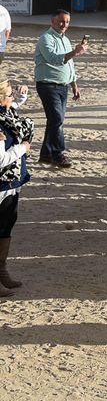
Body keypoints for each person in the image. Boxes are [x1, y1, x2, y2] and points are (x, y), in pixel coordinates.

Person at [33, 11, 87, 169]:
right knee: (57, 119)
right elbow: (54, 59)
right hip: (47, 84)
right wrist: (75, 52)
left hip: (63, 86)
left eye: (67, 22)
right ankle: (58, 153)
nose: (64, 25)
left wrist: (74, 85)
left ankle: (45, 154)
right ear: (53, 21)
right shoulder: (45, 38)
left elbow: (70, 65)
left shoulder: (66, 39)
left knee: (55, 121)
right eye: (61, 21)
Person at [0, 78, 34, 299]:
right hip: (1, 184)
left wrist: (22, 92)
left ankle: (1, 271)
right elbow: (1, 160)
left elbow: (16, 104)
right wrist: (23, 148)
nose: (14, 98)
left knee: (6, 225)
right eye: (10, 94)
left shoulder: (6, 115)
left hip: (12, 183)